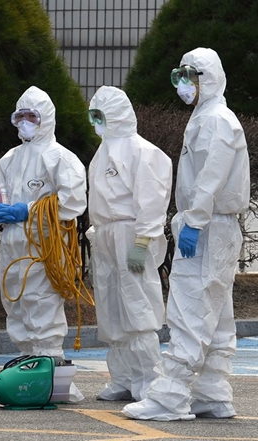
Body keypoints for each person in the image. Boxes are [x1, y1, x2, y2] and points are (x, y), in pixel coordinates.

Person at [123, 47, 250, 421]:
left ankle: (170, 396)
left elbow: (212, 175)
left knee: (190, 307)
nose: (182, 86)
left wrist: (194, 220)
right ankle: (213, 392)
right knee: (217, 310)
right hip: (213, 225)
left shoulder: (216, 121)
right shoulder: (207, 116)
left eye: (189, 78)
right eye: (178, 78)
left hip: (208, 225)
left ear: (207, 78)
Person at [0, 86, 87, 402]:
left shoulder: (60, 157)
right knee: (17, 310)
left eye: (32, 116)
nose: (25, 121)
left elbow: (72, 200)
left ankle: (55, 380)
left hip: (43, 248)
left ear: (46, 118)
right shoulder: (10, 159)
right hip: (11, 248)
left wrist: (30, 209)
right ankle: (31, 373)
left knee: (43, 310)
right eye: (20, 116)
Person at [86, 86, 172, 402]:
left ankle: (150, 380)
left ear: (116, 115)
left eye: (99, 115)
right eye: (92, 114)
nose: (95, 121)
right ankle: (123, 379)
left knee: (138, 309)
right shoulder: (102, 153)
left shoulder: (142, 151)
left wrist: (143, 241)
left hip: (130, 234)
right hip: (107, 235)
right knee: (111, 310)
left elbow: (151, 199)